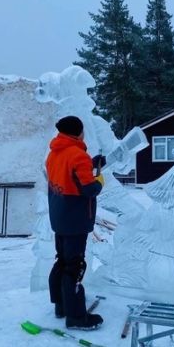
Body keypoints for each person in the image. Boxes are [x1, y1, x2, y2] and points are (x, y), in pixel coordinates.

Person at [46, 115, 105, 330]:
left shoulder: (54, 154)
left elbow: (69, 174)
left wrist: (92, 164)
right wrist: (99, 180)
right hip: (76, 219)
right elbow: (89, 189)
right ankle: (77, 317)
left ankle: (61, 305)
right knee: (75, 266)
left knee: (62, 260)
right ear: (78, 132)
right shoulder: (78, 156)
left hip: (60, 216)